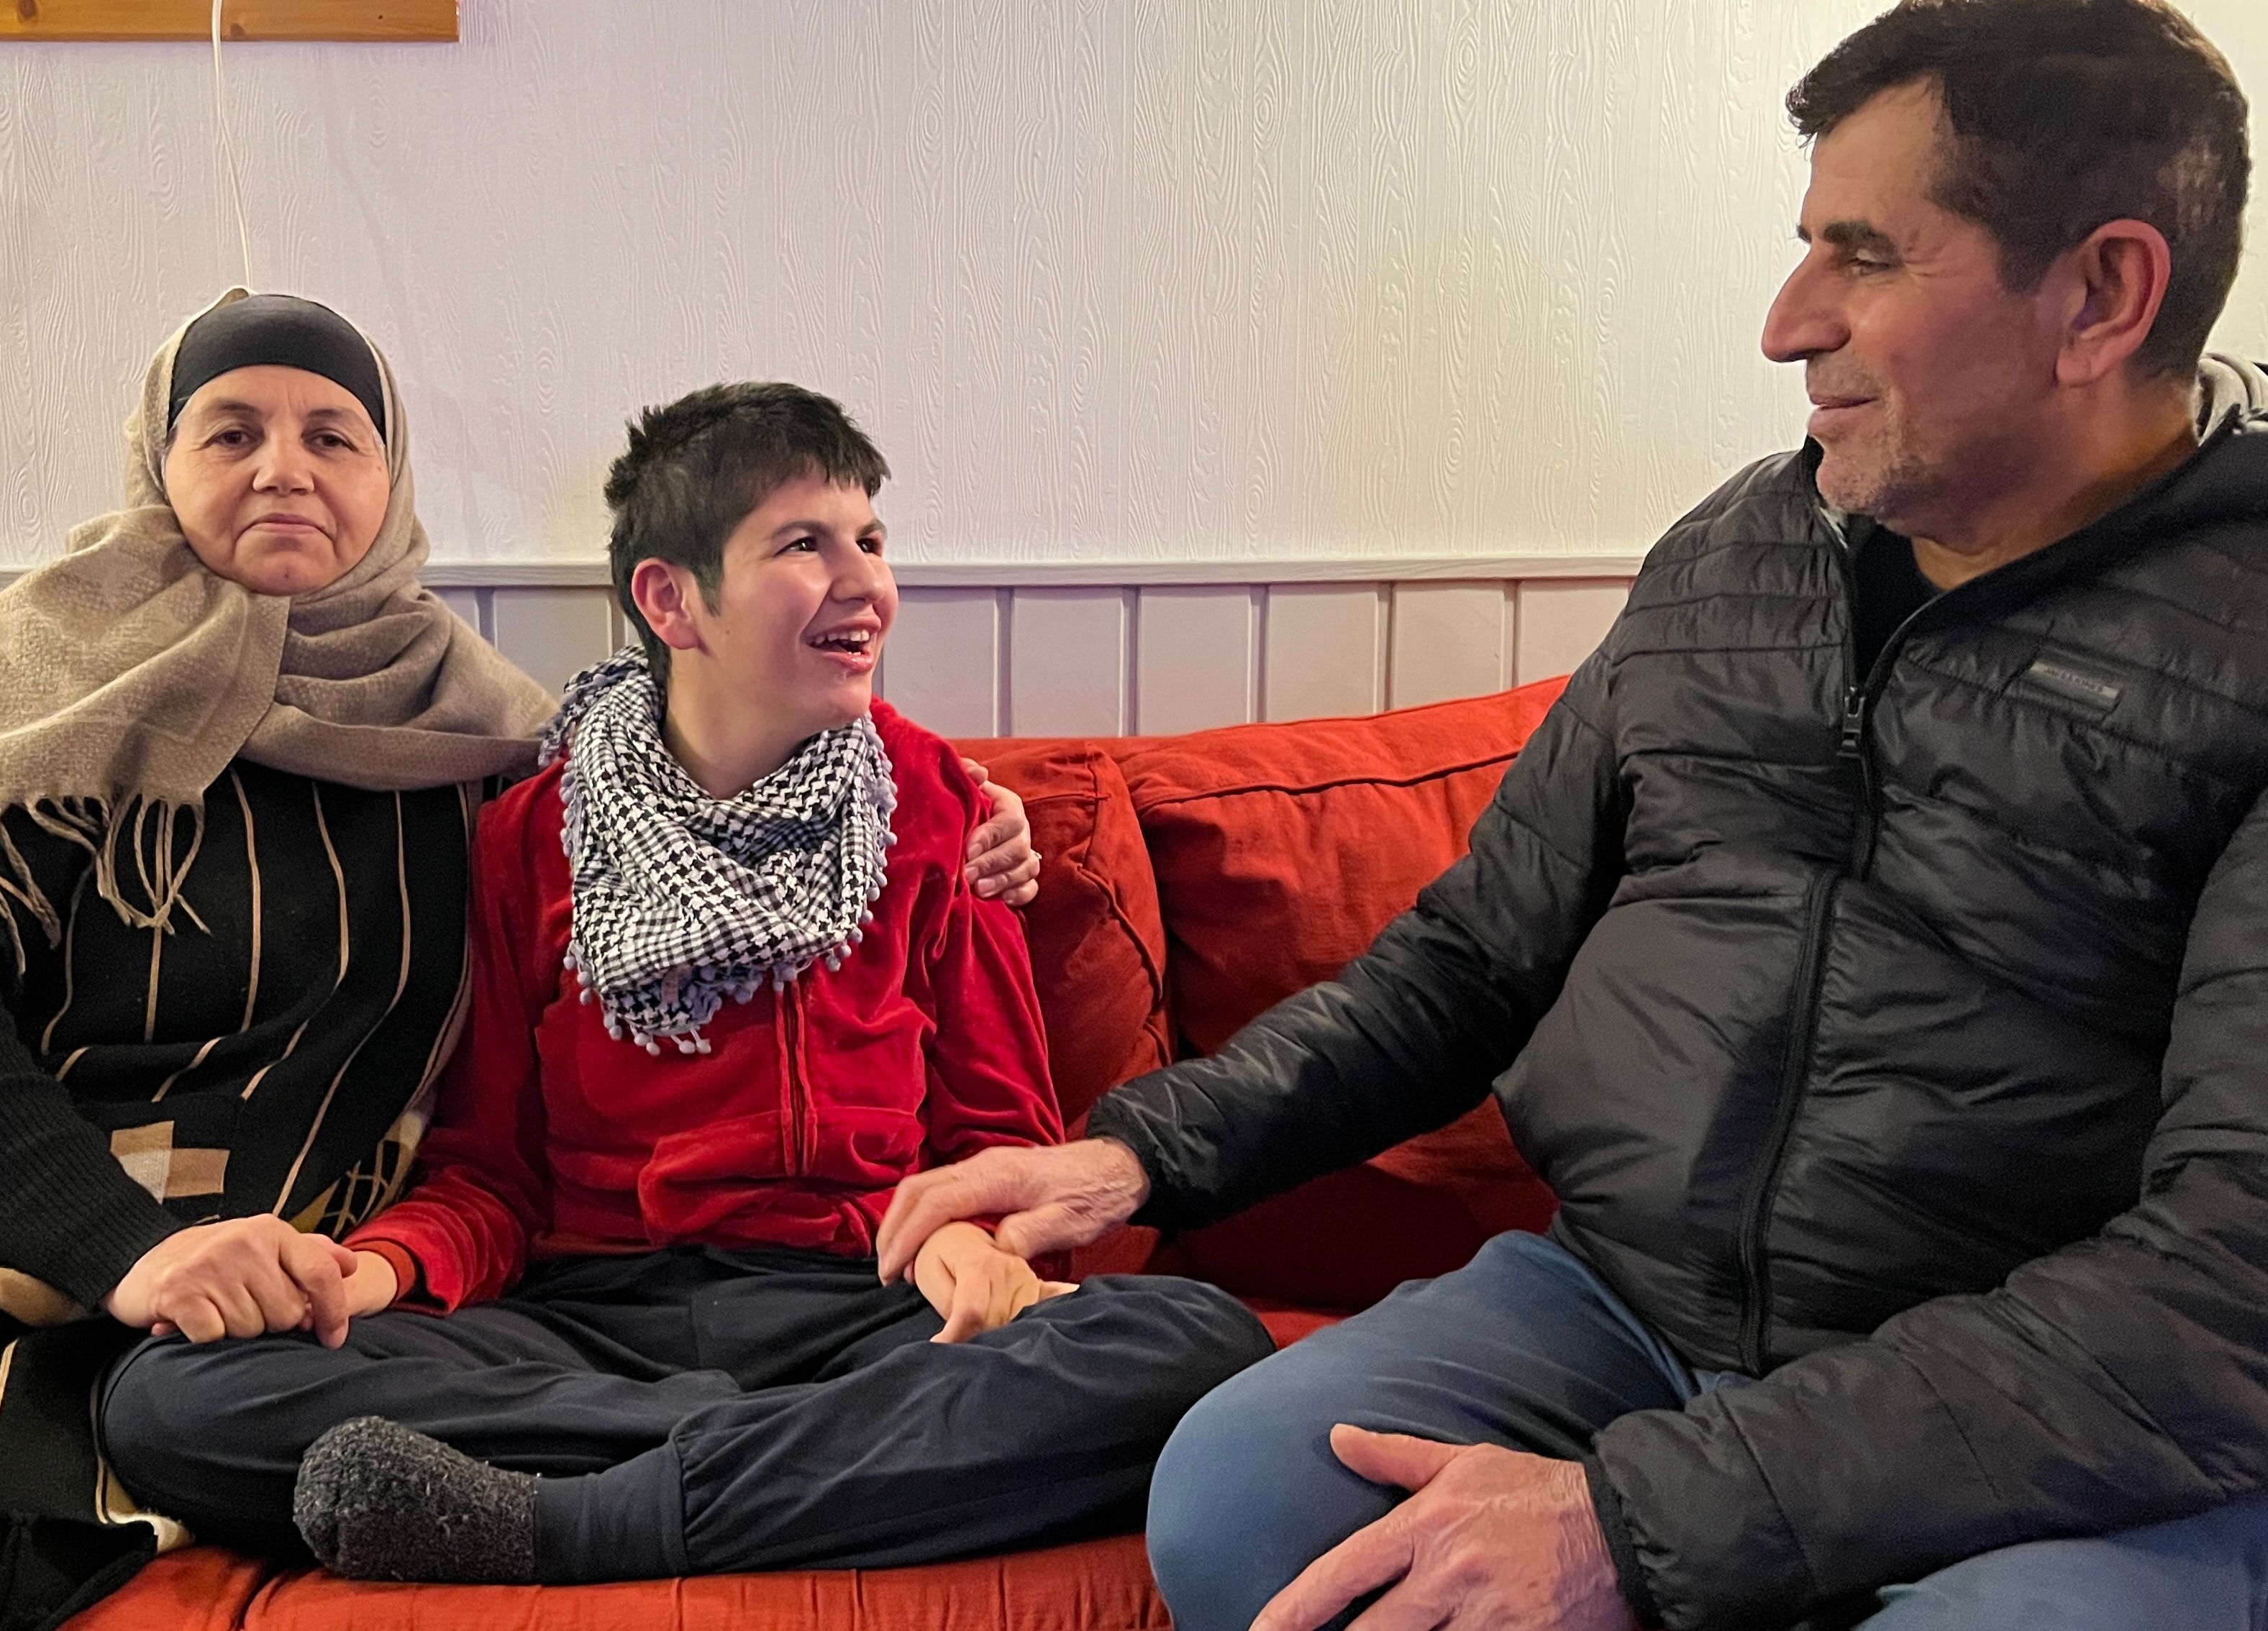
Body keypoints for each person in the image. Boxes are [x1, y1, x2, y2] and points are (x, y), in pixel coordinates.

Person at [873, 4, 2268, 1628]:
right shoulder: (1737, 556)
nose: (1785, 324)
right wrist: (1136, 1154)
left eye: (1868, 257)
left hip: (2038, 1401)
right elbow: (1476, 955)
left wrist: (1632, 1521)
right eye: (1805, 247)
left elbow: (2228, 1280)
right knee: (1246, 1500)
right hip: (1626, 1306)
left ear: (2101, 295)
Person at [0, 295, 1045, 1629]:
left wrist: (957, 818)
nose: (284, 469)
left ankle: (657, 1488)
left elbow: (701, 789)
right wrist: (146, 1255)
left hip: (294, 1268)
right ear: (156, 466)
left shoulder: (483, 746)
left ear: (392, 484)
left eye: (333, 435)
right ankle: (830, 1462)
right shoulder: (54, 674)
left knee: (1154, 1351)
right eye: (230, 430)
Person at [96, 382, 1275, 1585]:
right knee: (171, 1399)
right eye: (805, 544)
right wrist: (377, 1269)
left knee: (1194, 1342)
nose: (867, 585)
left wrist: (969, 1243)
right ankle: (785, 1467)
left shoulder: (938, 809)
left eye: (871, 539)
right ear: (670, 599)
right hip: (590, 1324)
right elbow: (492, 1178)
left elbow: (999, 1141)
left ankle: (567, 1523)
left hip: (870, 1304)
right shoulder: (532, 838)